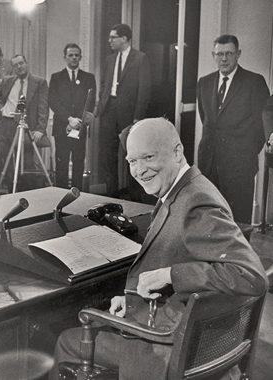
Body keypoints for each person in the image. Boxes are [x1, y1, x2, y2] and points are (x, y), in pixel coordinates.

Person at [49, 117, 269, 380]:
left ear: (177, 152)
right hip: (182, 330)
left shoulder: (196, 201)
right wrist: (132, 299)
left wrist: (168, 275)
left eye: (148, 157)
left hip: (168, 349)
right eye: (132, 161)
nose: (139, 170)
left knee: (66, 339)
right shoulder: (183, 190)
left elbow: (251, 275)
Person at [197, 35, 270, 225]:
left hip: (240, 166)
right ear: (213, 55)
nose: (224, 58)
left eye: (229, 53)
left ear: (238, 54)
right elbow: (206, 119)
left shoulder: (254, 82)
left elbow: (262, 126)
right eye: (219, 54)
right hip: (209, 165)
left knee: (238, 222)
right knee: (211, 219)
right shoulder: (204, 83)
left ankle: (238, 256)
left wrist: (245, 151)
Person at [96, 24, 151, 198]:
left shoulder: (141, 59)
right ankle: (111, 195)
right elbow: (104, 84)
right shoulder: (109, 59)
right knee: (108, 156)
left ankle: (135, 196)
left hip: (129, 114)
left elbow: (145, 90)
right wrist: (102, 104)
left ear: (124, 39)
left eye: (113, 37)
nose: (109, 40)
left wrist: (137, 118)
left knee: (133, 156)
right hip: (108, 112)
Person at [0, 54, 49, 191]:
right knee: (10, 163)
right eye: (15, 65)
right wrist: (1, 108)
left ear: (26, 63)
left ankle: (29, 196)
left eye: (21, 63)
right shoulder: (7, 81)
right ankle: (13, 194)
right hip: (8, 125)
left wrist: (40, 129)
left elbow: (43, 107)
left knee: (27, 163)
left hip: (28, 126)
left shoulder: (39, 82)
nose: (19, 67)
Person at [48, 43, 96, 190]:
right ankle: (60, 194)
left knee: (78, 162)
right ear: (65, 57)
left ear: (80, 57)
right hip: (62, 126)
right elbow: (53, 101)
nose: (74, 58)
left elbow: (91, 102)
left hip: (80, 127)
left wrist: (79, 122)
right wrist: (69, 119)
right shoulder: (56, 78)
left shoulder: (88, 78)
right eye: (70, 55)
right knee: (61, 162)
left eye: (76, 55)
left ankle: (77, 195)